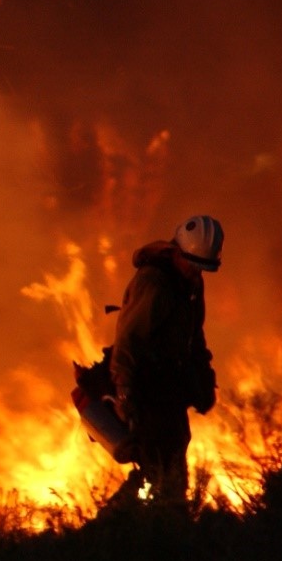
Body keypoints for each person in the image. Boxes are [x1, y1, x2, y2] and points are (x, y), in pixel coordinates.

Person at [107, 214, 223, 508]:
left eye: (203, 268)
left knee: (174, 459)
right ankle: (114, 525)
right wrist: (124, 391)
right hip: (147, 389)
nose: (197, 273)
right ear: (178, 252)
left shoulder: (192, 284)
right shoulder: (154, 284)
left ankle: (165, 520)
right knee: (156, 470)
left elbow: (194, 335)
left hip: (170, 388)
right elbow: (128, 340)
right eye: (194, 265)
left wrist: (204, 377)